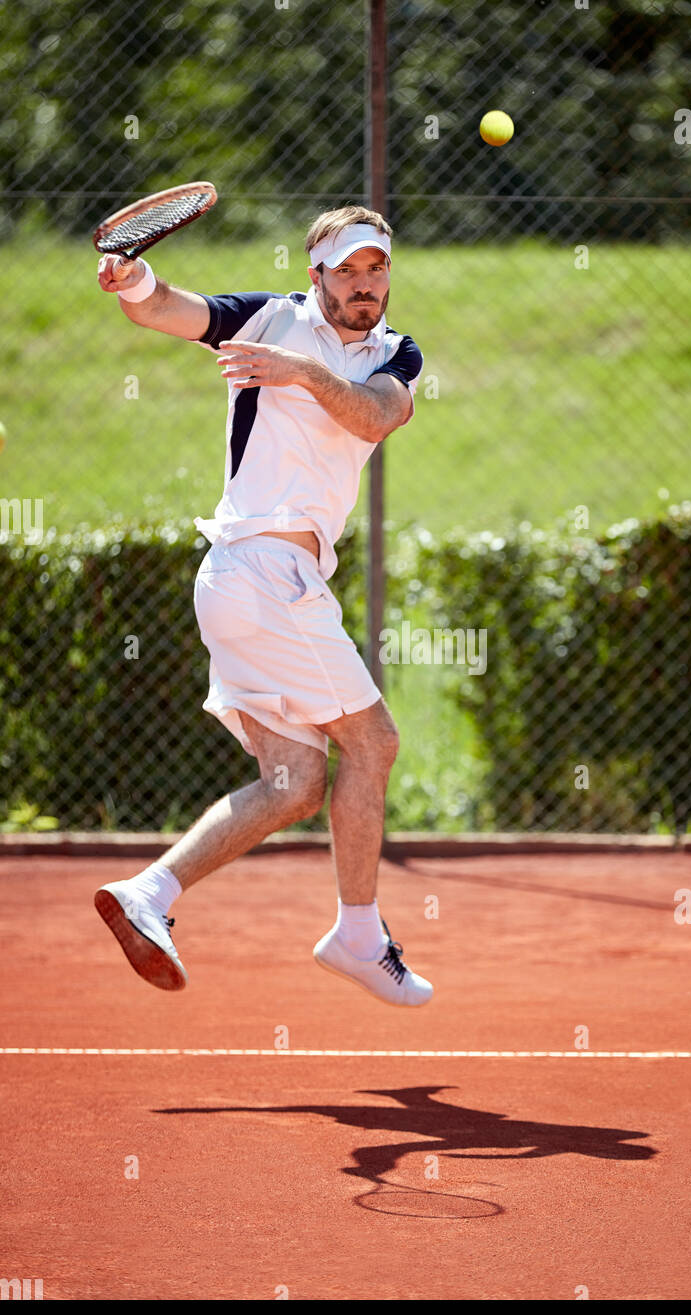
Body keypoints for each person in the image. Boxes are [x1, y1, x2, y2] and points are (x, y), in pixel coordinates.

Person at [92, 205, 432, 1008]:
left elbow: (376, 415)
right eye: (346, 270)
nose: (363, 285)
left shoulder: (397, 355)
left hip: (260, 581)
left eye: (375, 269)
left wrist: (300, 374)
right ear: (315, 273)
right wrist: (131, 279)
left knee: (293, 783)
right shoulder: (270, 315)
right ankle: (357, 934)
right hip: (260, 569)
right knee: (373, 741)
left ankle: (151, 894)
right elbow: (172, 309)